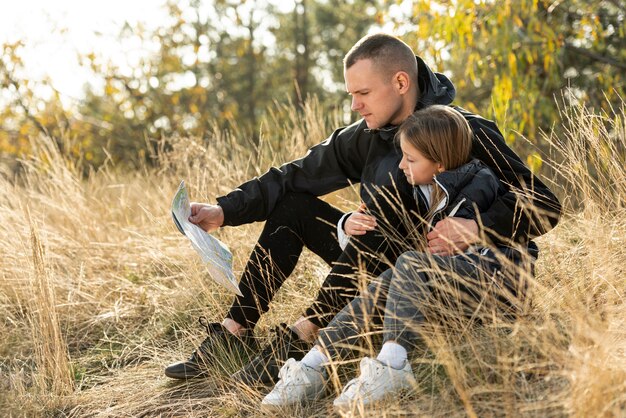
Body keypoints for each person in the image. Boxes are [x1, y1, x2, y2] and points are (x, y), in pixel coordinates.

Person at [164, 33, 561, 386]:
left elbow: (543, 201)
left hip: (440, 277)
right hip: (373, 263)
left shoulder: (463, 130)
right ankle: (237, 329)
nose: (355, 105)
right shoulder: (367, 135)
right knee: (293, 206)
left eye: (363, 94)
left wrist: (477, 227)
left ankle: (307, 335)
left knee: (383, 210)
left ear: (400, 82)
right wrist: (223, 211)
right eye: (351, 94)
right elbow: (295, 175)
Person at [260, 105, 521, 409]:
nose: (401, 166)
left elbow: (473, 252)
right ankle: (314, 364)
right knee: (389, 278)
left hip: (498, 285)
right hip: (455, 283)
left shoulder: (478, 185)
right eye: (402, 156)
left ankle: (393, 366)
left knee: (409, 263)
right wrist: (349, 222)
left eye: (410, 159)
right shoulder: (429, 186)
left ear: (439, 163)